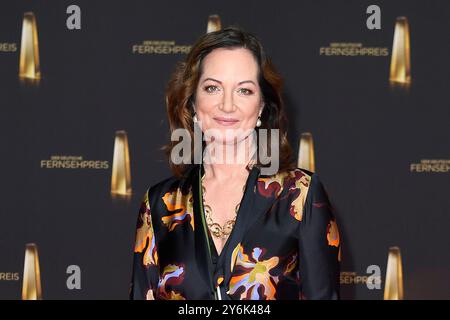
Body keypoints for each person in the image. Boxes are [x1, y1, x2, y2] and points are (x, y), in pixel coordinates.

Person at [129, 25, 340, 300]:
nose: (227, 106)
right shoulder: (159, 204)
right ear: (192, 101)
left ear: (262, 106)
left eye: (244, 91)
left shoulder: (300, 196)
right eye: (213, 88)